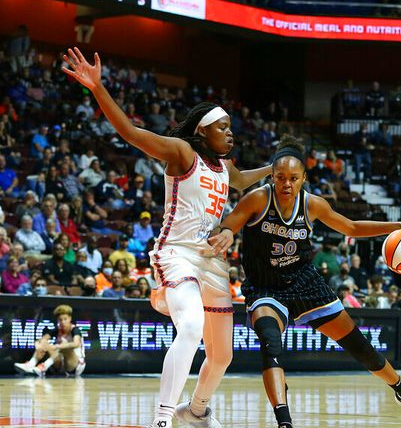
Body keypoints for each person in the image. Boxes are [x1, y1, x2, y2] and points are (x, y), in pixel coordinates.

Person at [62, 47, 273, 428]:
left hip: (212, 262)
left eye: (230, 127)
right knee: (190, 327)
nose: (230, 133)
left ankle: (194, 411)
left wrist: (276, 168)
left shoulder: (225, 167)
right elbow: (129, 132)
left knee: (222, 354)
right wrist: (97, 88)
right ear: (201, 131)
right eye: (222, 127)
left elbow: (240, 181)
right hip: (176, 253)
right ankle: (161, 419)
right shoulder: (181, 152)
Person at [206, 136, 401, 427]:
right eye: (280, 177)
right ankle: (284, 422)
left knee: (359, 346)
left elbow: (350, 227)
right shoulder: (258, 199)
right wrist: (227, 232)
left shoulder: (313, 205)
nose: (286, 184)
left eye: (293, 178)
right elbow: (231, 222)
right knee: (270, 342)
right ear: (272, 175)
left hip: (305, 283)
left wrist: (396, 226)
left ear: (304, 177)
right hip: (265, 286)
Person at [14, 304, 85, 377]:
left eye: (65, 319)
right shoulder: (57, 330)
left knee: (64, 345)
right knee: (44, 343)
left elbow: (76, 344)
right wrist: (39, 345)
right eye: (60, 320)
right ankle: (31, 364)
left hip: (74, 365)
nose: (63, 322)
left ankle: (43, 367)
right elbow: (40, 340)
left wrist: (57, 346)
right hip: (60, 363)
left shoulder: (75, 330)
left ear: (70, 318)